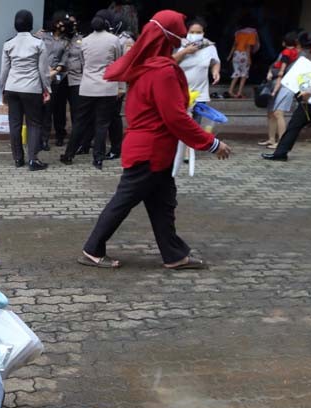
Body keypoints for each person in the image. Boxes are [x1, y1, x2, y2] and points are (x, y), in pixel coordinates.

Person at [78, 10, 232, 270]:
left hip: (151, 150)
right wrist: (211, 143)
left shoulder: (146, 66)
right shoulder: (163, 72)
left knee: (163, 203)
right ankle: (92, 249)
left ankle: (174, 255)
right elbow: (176, 118)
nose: (185, 40)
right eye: (181, 36)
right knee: (124, 201)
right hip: (150, 151)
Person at [61, 9, 123, 169]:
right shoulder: (114, 40)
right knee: (102, 124)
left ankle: (69, 155)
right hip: (107, 87)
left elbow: (83, 62)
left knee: (80, 122)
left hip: (87, 86)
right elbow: (118, 62)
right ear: (106, 25)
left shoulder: (85, 41)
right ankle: (98, 159)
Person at [262, 22, 311, 167]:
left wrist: (309, 90)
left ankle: (280, 152)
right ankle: (280, 153)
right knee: (294, 124)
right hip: (310, 97)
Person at [1, 10, 51, 171]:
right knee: (34, 124)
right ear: (31, 24)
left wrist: (3, 89)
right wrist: (47, 89)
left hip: (12, 87)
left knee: (14, 123)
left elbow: (4, 71)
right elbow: (43, 70)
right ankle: (33, 159)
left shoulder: (9, 43)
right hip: (32, 88)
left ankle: (17, 158)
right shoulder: (38, 43)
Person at [257, 32, 299, 149]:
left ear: (284, 42)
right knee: (271, 113)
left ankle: (281, 141)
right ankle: (271, 138)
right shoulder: (294, 53)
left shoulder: (287, 53)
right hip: (277, 82)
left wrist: (278, 75)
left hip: (283, 84)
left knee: (278, 113)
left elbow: (282, 68)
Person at [36, 12, 70, 149]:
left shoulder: (65, 41)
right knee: (42, 110)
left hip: (56, 79)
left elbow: (65, 59)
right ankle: (40, 139)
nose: (62, 25)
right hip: (41, 77)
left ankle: (52, 138)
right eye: (60, 22)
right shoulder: (42, 36)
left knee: (53, 109)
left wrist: (55, 71)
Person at [173, 18, 221, 113]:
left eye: (198, 32)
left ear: (203, 33)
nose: (195, 35)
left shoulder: (209, 46)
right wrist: (185, 51)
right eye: (192, 32)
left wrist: (215, 71)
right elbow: (169, 61)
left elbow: (215, 61)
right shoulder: (179, 46)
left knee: (196, 124)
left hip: (200, 94)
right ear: (187, 32)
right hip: (179, 93)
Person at [106, 17, 136, 160]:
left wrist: (121, 86)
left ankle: (116, 148)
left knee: (114, 117)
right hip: (107, 83)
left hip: (118, 84)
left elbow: (127, 63)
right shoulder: (108, 36)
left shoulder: (126, 40)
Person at [64, 15, 93, 155]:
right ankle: (61, 135)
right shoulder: (58, 38)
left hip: (77, 79)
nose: (72, 26)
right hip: (62, 78)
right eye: (70, 23)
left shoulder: (81, 39)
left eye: (75, 23)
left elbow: (84, 59)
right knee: (58, 109)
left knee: (78, 111)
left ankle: (81, 141)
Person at [227, 19, 259, 99]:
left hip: (236, 54)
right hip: (244, 55)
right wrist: (249, 58)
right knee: (244, 74)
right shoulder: (252, 33)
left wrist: (230, 56)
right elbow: (248, 46)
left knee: (236, 72)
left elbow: (234, 45)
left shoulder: (238, 33)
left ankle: (230, 90)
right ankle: (239, 92)